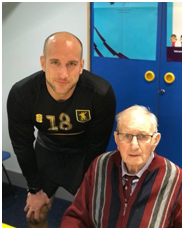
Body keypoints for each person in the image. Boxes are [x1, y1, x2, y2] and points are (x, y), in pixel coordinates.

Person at [7, 31, 116, 228]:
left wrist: (86, 188)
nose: (63, 74)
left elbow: (96, 146)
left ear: (82, 66)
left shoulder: (100, 94)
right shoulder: (22, 94)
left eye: (71, 64)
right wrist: (34, 189)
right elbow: (22, 145)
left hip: (83, 154)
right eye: (55, 62)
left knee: (92, 217)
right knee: (35, 213)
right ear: (43, 62)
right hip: (47, 150)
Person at [60, 105, 182, 228]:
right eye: (126, 136)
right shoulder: (100, 165)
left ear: (155, 140)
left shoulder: (175, 178)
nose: (134, 145)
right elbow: (75, 217)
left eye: (143, 136)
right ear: (117, 138)